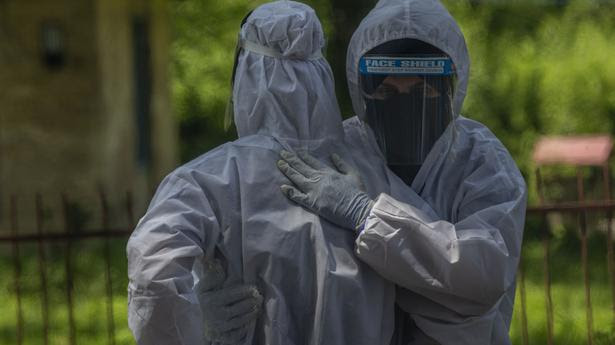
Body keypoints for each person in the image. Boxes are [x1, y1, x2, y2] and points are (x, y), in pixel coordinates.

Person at [126, 1, 397, 344]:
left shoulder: (206, 181)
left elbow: (153, 279)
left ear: (248, 74)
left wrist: (192, 327)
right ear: (322, 73)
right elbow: (437, 279)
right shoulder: (378, 177)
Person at [276, 0, 528, 344]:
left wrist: (366, 216)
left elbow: (483, 272)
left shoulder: (481, 160)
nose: (406, 105)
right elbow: (299, 263)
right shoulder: (339, 149)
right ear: (362, 88)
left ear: (451, 88)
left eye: (423, 90)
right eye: (387, 90)